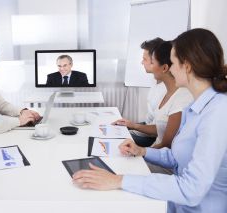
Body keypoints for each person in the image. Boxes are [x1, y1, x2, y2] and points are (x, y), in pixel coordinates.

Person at [73, 28, 227, 213]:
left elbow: (191, 189)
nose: (169, 67)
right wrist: (143, 151)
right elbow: (177, 158)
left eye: (172, 61)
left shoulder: (217, 113)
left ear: (186, 66)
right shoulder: (194, 108)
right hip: (175, 202)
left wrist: (120, 180)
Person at [114, 41, 193, 149]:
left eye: (151, 62)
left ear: (165, 68)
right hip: (155, 149)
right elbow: (161, 128)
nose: (143, 63)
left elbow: (166, 145)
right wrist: (133, 125)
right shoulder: (165, 92)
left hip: (160, 157)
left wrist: (140, 152)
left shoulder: (182, 97)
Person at [117, 38, 167, 147]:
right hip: (147, 126)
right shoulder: (155, 80)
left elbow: (161, 129)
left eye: (145, 59)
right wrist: (132, 125)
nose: (142, 62)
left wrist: (134, 126)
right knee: (115, 129)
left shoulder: (167, 90)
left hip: (151, 136)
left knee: (117, 139)